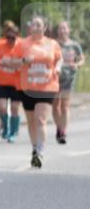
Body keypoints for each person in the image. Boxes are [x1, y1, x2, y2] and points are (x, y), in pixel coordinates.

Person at [18, 16, 62, 167]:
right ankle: (34, 148)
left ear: (44, 28)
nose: (35, 27)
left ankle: (40, 152)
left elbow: (59, 59)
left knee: (40, 119)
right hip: (28, 87)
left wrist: (57, 68)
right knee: (30, 121)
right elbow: (14, 62)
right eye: (33, 24)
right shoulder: (23, 43)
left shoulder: (52, 44)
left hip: (47, 87)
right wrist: (24, 61)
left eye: (39, 25)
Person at [0, 20, 24, 143]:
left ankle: (13, 132)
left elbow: (24, 64)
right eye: (8, 37)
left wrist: (10, 63)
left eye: (12, 38)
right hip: (2, 81)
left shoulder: (22, 46)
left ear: (17, 36)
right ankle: (5, 127)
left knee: (15, 108)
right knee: (2, 107)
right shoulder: (0, 45)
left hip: (16, 82)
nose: (10, 40)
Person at [53, 20, 83, 144]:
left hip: (69, 79)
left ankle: (63, 131)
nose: (62, 31)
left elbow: (81, 59)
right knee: (55, 107)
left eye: (64, 28)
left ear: (68, 30)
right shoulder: (54, 44)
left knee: (65, 106)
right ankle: (59, 127)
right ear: (58, 31)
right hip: (55, 78)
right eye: (60, 28)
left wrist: (77, 64)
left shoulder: (74, 45)